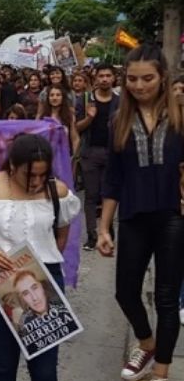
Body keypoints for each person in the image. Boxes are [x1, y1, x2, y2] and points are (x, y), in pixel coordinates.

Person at [97, 44, 184, 381]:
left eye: (147, 78)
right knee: (125, 292)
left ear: (162, 77)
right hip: (133, 216)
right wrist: (104, 228)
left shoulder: (179, 116)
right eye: (132, 79)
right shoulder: (119, 120)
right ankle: (146, 344)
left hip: (173, 217)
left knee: (166, 297)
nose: (139, 85)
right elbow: (113, 180)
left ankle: (161, 372)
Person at [0, 134, 81, 381]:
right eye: (29, 175)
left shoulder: (57, 192)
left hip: (43, 278)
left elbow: (61, 234)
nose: (37, 182)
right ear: (12, 166)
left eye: (43, 174)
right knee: (3, 365)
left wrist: (39, 266)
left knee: (44, 369)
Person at [75, 64, 119, 251]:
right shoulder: (85, 100)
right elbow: (77, 127)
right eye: (101, 76)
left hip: (113, 153)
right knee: (91, 196)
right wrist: (90, 118)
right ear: (95, 79)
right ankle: (92, 234)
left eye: (108, 76)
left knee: (108, 193)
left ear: (114, 78)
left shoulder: (121, 101)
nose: (104, 79)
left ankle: (107, 228)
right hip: (90, 152)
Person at [12, 270, 78, 356]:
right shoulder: (24, 324)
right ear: (23, 300)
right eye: (26, 293)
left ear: (43, 287)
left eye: (35, 288)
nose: (34, 298)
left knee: (46, 366)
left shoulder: (63, 312)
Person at [39, 85, 80, 155]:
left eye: (58, 95)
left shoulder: (69, 117)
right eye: (52, 95)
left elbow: (75, 139)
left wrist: (75, 158)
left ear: (63, 98)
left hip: (65, 156)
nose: (54, 98)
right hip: (46, 156)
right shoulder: (43, 117)